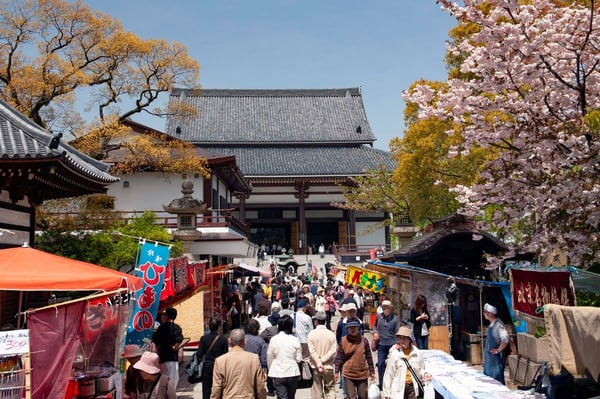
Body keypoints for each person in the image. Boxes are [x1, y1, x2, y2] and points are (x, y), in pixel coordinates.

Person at [210, 328, 267, 399]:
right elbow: (260, 385)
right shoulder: (254, 358)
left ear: (229, 341)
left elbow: (217, 387)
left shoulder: (220, 361)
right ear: (245, 341)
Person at [382, 326, 431, 399]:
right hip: (398, 387)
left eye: (404, 338)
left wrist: (425, 374)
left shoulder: (417, 353)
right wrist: (387, 393)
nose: (401, 341)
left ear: (410, 339)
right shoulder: (395, 353)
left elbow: (421, 369)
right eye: (400, 338)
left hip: (413, 388)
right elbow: (389, 373)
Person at [334, 319, 376, 399]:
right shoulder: (343, 341)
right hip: (348, 374)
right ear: (347, 329)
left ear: (358, 328)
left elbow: (369, 357)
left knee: (363, 396)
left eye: (354, 327)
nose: (353, 329)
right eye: (350, 327)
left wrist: (372, 371)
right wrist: (336, 372)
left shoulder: (364, 341)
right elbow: (339, 358)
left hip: (362, 374)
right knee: (351, 397)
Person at [267, 315, 302, 399]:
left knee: (282, 396)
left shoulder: (274, 339)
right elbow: (299, 358)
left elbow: (269, 357)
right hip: (292, 372)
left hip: (278, 372)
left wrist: (271, 370)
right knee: (291, 396)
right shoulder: (295, 340)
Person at [195, 318, 229, 399]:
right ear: (219, 327)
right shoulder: (223, 339)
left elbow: (199, 353)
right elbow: (226, 355)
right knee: (219, 388)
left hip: (207, 366)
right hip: (219, 367)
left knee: (206, 389)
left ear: (209, 327)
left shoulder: (203, 338)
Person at [308, 311, 337, 399]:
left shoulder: (311, 334)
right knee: (330, 388)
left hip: (316, 366)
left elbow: (312, 351)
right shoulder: (331, 334)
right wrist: (323, 360)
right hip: (328, 366)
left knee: (317, 390)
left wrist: (318, 362)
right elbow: (333, 350)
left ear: (316, 321)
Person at [151, 307, 183, 388]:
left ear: (167, 316)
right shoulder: (177, 327)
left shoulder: (161, 328)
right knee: (173, 380)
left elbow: (156, 340)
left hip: (163, 356)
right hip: (173, 357)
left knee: (163, 379)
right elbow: (179, 339)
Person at [373, 299, 400, 389]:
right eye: (384, 308)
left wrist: (397, 343)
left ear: (390, 309)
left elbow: (397, 332)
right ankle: (381, 384)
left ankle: (391, 384)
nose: (386, 310)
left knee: (391, 365)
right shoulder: (379, 317)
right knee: (380, 364)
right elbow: (374, 326)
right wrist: (375, 333)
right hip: (381, 344)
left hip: (392, 345)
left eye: (387, 308)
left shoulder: (395, 319)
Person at [482, 303, 509, 384]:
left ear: (490, 314)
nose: (484, 313)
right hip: (489, 360)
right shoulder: (492, 324)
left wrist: (497, 350)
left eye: (485, 311)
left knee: (496, 382)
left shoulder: (498, 325)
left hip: (495, 360)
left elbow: (505, 339)